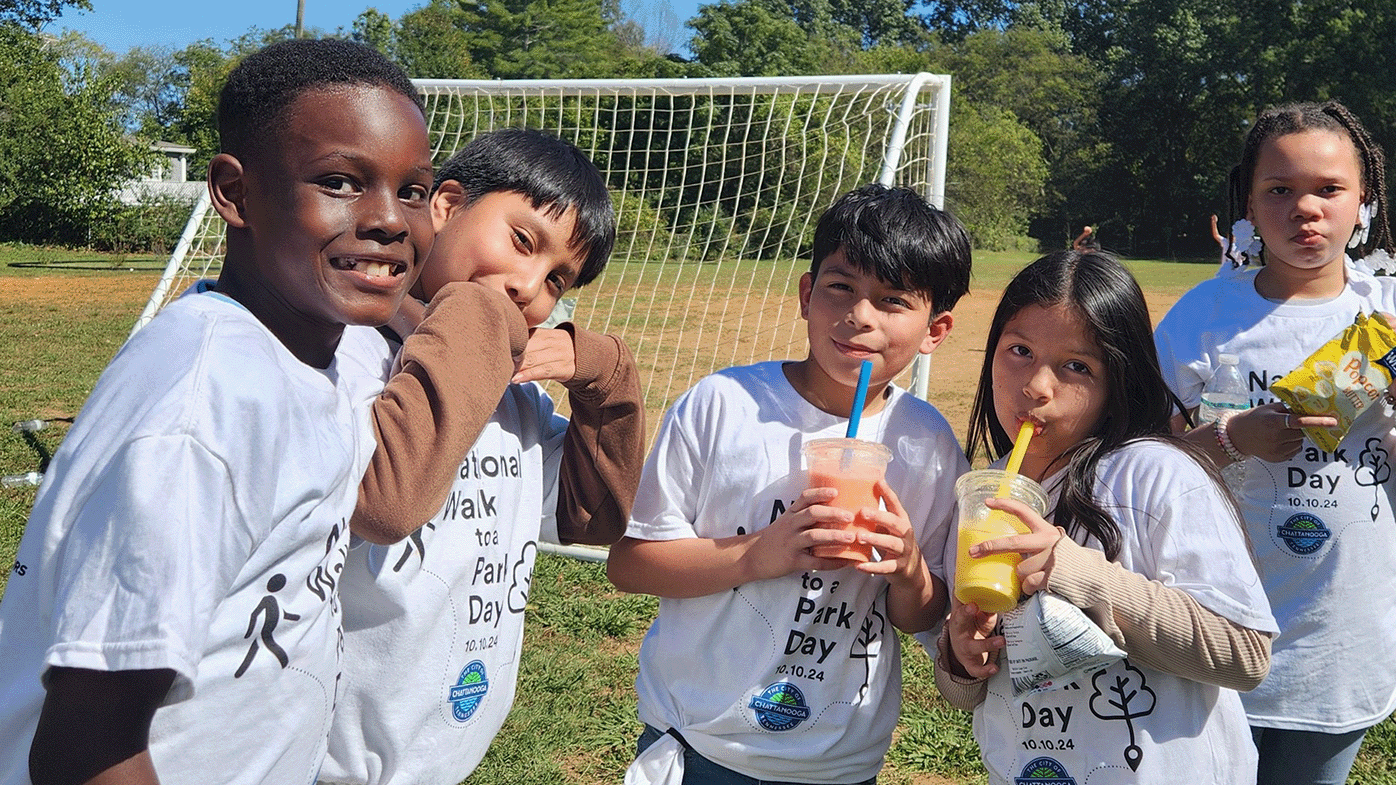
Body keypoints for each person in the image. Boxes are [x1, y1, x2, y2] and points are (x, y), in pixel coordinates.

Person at [0, 38, 434, 785]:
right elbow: (84, 749)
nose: (391, 219)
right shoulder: (203, 410)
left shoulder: (314, 356)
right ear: (233, 193)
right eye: (340, 180)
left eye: (415, 190)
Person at [607, 183, 972, 784]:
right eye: (841, 288)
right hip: (700, 738)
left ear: (935, 330)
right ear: (806, 294)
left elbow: (922, 613)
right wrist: (757, 553)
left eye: (893, 301)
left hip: (838, 756)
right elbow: (631, 564)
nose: (860, 316)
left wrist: (907, 568)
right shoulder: (723, 405)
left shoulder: (924, 443)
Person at [318, 127, 646, 785]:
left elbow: (595, 515)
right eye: (522, 241)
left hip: (443, 757)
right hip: (323, 760)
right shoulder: (344, 359)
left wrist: (607, 375)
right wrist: (473, 309)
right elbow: (386, 502)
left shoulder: (516, 402)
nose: (529, 284)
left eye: (559, 278)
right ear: (442, 207)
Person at [935, 250, 1277, 785]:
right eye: (1019, 350)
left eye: (1077, 366)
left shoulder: (1155, 474)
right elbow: (966, 692)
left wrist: (1070, 570)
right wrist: (961, 655)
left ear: (1117, 378)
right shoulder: (984, 497)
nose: (1037, 386)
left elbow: (1244, 653)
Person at [1154, 100, 1396, 785]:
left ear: (1364, 201)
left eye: (1329, 189)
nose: (1306, 209)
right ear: (1249, 207)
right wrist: (1234, 437)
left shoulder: (1386, 317)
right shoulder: (1204, 315)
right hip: (1211, 629)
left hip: (1339, 642)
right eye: (1279, 191)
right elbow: (1139, 463)